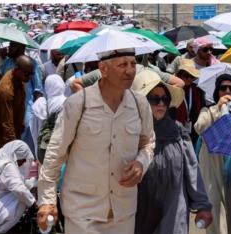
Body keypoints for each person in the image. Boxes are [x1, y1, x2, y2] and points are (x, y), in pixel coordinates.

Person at [37, 48, 155, 233]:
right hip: (82, 214)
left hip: (123, 214)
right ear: (103, 69)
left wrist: (141, 163)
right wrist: (47, 200)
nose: (130, 71)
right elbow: (55, 153)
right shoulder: (78, 104)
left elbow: (148, 143)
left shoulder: (140, 105)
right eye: (122, 64)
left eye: (133, 64)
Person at [132, 69, 212, 234]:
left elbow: (192, 169)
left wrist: (202, 205)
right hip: (137, 213)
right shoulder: (129, 132)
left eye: (165, 99)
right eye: (154, 99)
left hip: (173, 212)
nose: (161, 104)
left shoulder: (178, 131)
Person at [194, 74, 231, 234]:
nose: (227, 91)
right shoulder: (208, 110)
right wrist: (218, 107)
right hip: (214, 169)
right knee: (215, 215)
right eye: (223, 88)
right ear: (217, 92)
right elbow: (199, 127)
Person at [0, 41, 44, 154]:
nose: (9, 48)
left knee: (25, 145)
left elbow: (38, 90)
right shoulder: (7, 63)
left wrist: (37, 113)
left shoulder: (31, 64)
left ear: (21, 47)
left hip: (26, 110)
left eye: (13, 46)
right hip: (9, 108)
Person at [0, 55, 34, 156]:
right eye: (27, 74)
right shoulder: (6, 90)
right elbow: (7, 123)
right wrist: (15, 149)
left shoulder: (19, 80)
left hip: (14, 132)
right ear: (17, 69)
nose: (29, 77)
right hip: (1, 137)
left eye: (31, 74)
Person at [30, 74, 66, 160]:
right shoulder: (68, 102)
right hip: (62, 154)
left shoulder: (39, 105)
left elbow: (34, 130)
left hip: (44, 153)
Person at [175, 59, 206, 146]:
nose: (189, 79)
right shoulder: (173, 89)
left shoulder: (197, 89)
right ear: (179, 75)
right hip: (176, 130)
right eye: (186, 76)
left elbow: (200, 109)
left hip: (192, 131)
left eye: (191, 76)